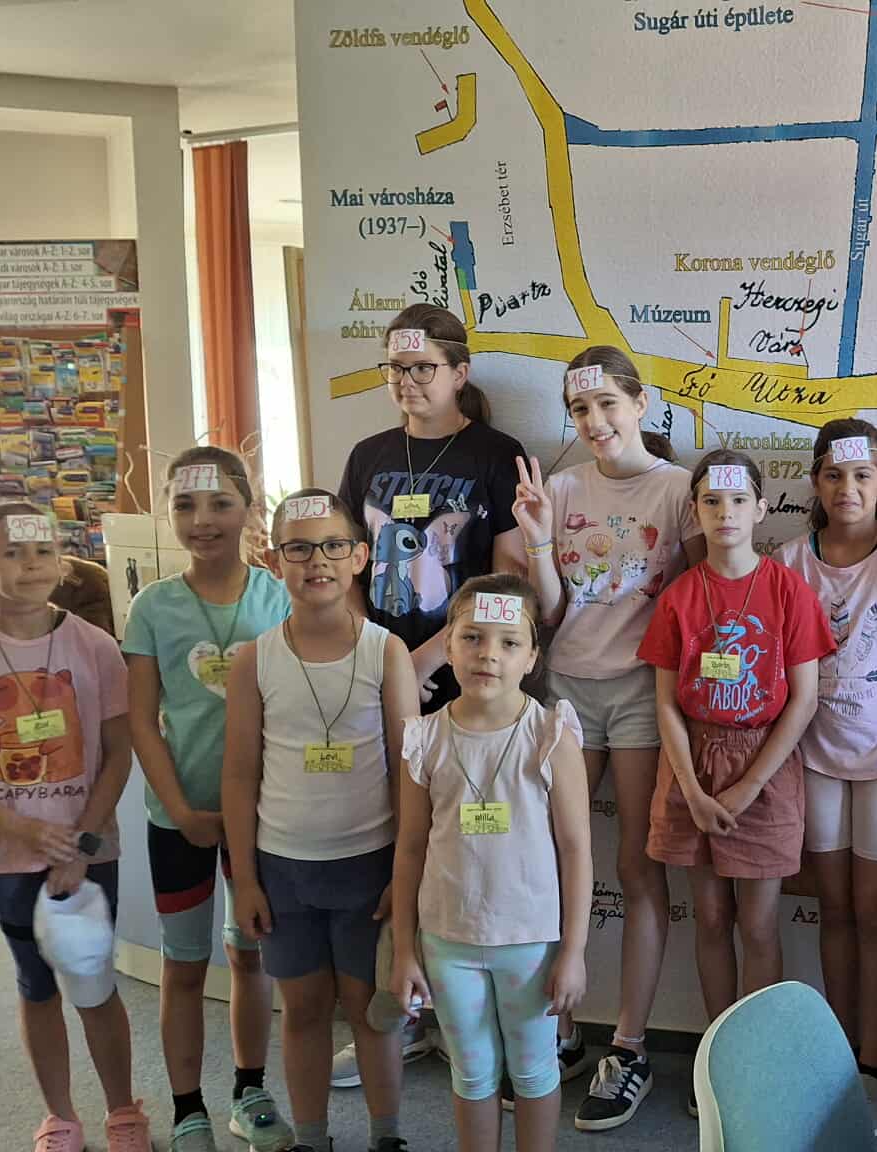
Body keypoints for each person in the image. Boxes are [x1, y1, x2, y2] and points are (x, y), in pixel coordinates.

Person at [508, 346, 703, 1130]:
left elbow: (698, 596)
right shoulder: (559, 488)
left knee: (636, 865)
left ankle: (628, 1046)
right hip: (568, 689)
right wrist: (537, 538)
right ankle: (558, 1030)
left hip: (641, 693)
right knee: (554, 856)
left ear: (640, 404)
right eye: (580, 410)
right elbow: (552, 611)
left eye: (607, 405)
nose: (594, 422)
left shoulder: (680, 489)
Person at [0, 503, 148, 1152]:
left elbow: (118, 753)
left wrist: (81, 843)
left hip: (89, 846)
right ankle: (60, 1115)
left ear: (62, 562)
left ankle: (123, 1110)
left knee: (94, 979)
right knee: (36, 982)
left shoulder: (96, 647)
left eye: (43, 551)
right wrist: (19, 828)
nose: (30, 564)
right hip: (6, 854)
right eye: (12, 553)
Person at [222, 489, 421, 1152]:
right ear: (273, 560)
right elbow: (239, 774)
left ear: (360, 556)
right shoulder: (254, 660)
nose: (318, 561)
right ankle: (311, 1138)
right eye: (300, 549)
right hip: (284, 871)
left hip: (370, 868)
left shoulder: (386, 651)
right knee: (303, 1011)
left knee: (373, 1012)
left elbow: (407, 771)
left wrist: (403, 876)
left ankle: (387, 1136)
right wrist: (245, 880)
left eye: (334, 546)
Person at [638, 449, 832, 1116]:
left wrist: (748, 787)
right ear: (695, 510)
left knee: (758, 922)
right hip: (692, 762)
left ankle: (760, 1062)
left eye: (739, 500)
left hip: (764, 765)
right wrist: (692, 791)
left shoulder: (788, 591)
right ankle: (717, 1061)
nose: (725, 513)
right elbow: (666, 703)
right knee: (712, 916)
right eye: (712, 502)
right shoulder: (680, 596)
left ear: (761, 508)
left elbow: (803, 700)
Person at [124, 447, 295, 1151]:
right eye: (185, 505)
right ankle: (186, 1106)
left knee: (251, 956)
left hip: (264, 819)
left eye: (221, 503)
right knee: (185, 964)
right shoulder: (152, 607)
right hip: (180, 818)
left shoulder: (279, 598)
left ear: (248, 510)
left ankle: (250, 1091)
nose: (203, 520)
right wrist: (181, 810)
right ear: (167, 514)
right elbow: (142, 720)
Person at [775, 418, 877, 1134]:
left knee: (876, 914)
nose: (848, 488)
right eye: (834, 475)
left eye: (862, 475)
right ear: (815, 482)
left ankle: (876, 1066)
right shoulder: (789, 560)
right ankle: (839, 1059)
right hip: (815, 757)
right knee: (834, 910)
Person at [389, 574, 594, 1152]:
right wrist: (403, 949)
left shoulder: (550, 735)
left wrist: (573, 952)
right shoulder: (424, 739)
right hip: (447, 941)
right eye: (472, 637)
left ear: (531, 657)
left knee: (533, 1070)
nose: (488, 654)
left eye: (508, 642)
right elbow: (410, 846)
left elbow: (576, 849)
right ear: (449, 646)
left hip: (530, 943)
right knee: (472, 1072)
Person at [337, 304, 527, 712]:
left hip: (466, 668)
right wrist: (377, 654)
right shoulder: (366, 455)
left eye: (423, 368)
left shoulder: (497, 455)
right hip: (375, 668)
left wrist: (421, 663)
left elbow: (508, 579)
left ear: (459, 374)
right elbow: (345, 563)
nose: (406, 382)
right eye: (396, 368)